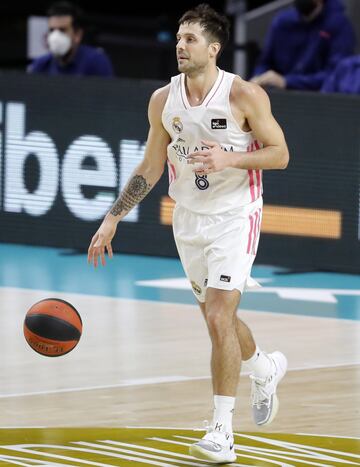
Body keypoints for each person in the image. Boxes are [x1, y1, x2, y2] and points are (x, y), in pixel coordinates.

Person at [88, 3, 289, 464]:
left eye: (190, 39)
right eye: (178, 38)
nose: (180, 46)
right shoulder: (163, 100)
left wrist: (230, 159)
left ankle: (222, 432)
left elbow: (280, 154)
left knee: (219, 318)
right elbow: (152, 165)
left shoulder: (244, 95)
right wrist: (114, 216)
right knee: (218, 321)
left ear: (214, 48)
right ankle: (264, 368)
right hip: (189, 217)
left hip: (236, 214)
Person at [250, 0, 355, 91]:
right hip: (278, 95)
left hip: (320, 99)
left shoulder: (339, 25)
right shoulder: (282, 22)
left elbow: (336, 75)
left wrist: (287, 82)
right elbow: (264, 62)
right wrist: (259, 78)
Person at [28, 1, 114, 77]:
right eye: (52, 30)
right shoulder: (41, 65)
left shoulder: (97, 62)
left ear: (78, 35)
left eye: (62, 30)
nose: (55, 36)